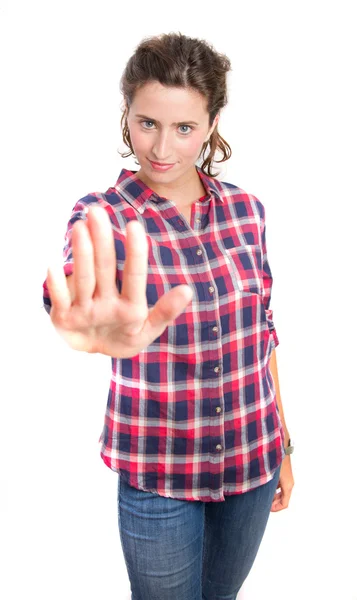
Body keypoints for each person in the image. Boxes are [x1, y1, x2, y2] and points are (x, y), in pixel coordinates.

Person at [43, 32, 294, 600]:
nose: (161, 148)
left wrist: (284, 442)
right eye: (146, 122)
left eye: (184, 128)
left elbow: (264, 333)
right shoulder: (103, 213)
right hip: (159, 474)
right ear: (126, 116)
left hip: (254, 460)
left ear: (211, 123)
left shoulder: (246, 211)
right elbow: (76, 284)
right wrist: (77, 316)